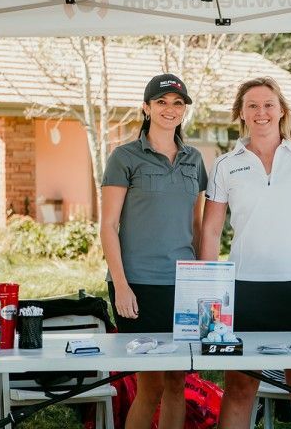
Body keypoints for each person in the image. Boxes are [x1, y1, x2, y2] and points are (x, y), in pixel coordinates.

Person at [199, 76, 291, 429]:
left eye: (268, 105)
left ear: (281, 111)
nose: (261, 112)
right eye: (252, 106)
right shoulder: (226, 165)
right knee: (240, 386)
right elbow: (211, 230)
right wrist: (209, 289)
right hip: (243, 290)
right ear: (241, 114)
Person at [100, 73, 208, 429]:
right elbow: (108, 226)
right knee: (149, 383)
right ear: (146, 108)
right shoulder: (124, 158)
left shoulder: (195, 160)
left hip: (184, 287)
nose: (170, 109)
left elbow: (196, 226)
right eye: (161, 102)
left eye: (177, 103)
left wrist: (205, 283)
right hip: (138, 286)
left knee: (178, 381)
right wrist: (121, 285)